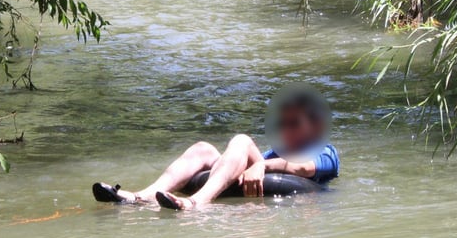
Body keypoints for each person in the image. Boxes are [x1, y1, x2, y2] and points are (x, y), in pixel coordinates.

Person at [92, 89, 339, 210]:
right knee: (203, 149)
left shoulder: (325, 151)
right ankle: (139, 197)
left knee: (242, 140)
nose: (287, 130)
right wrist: (258, 162)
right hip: (262, 176)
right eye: (283, 124)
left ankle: (195, 204)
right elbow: (234, 169)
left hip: (302, 196)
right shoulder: (273, 153)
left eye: (295, 124)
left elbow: (303, 169)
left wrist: (260, 165)